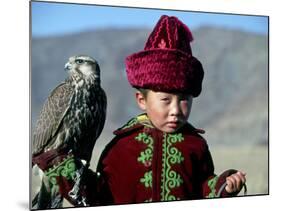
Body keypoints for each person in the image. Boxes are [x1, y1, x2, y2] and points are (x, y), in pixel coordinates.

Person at [59, 15, 246, 206]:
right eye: (165, 100)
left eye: (184, 100)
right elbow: (98, 196)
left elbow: (203, 189)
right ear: (142, 100)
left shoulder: (195, 145)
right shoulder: (121, 147)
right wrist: (62, 169)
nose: (175, 110)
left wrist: (223, 185)